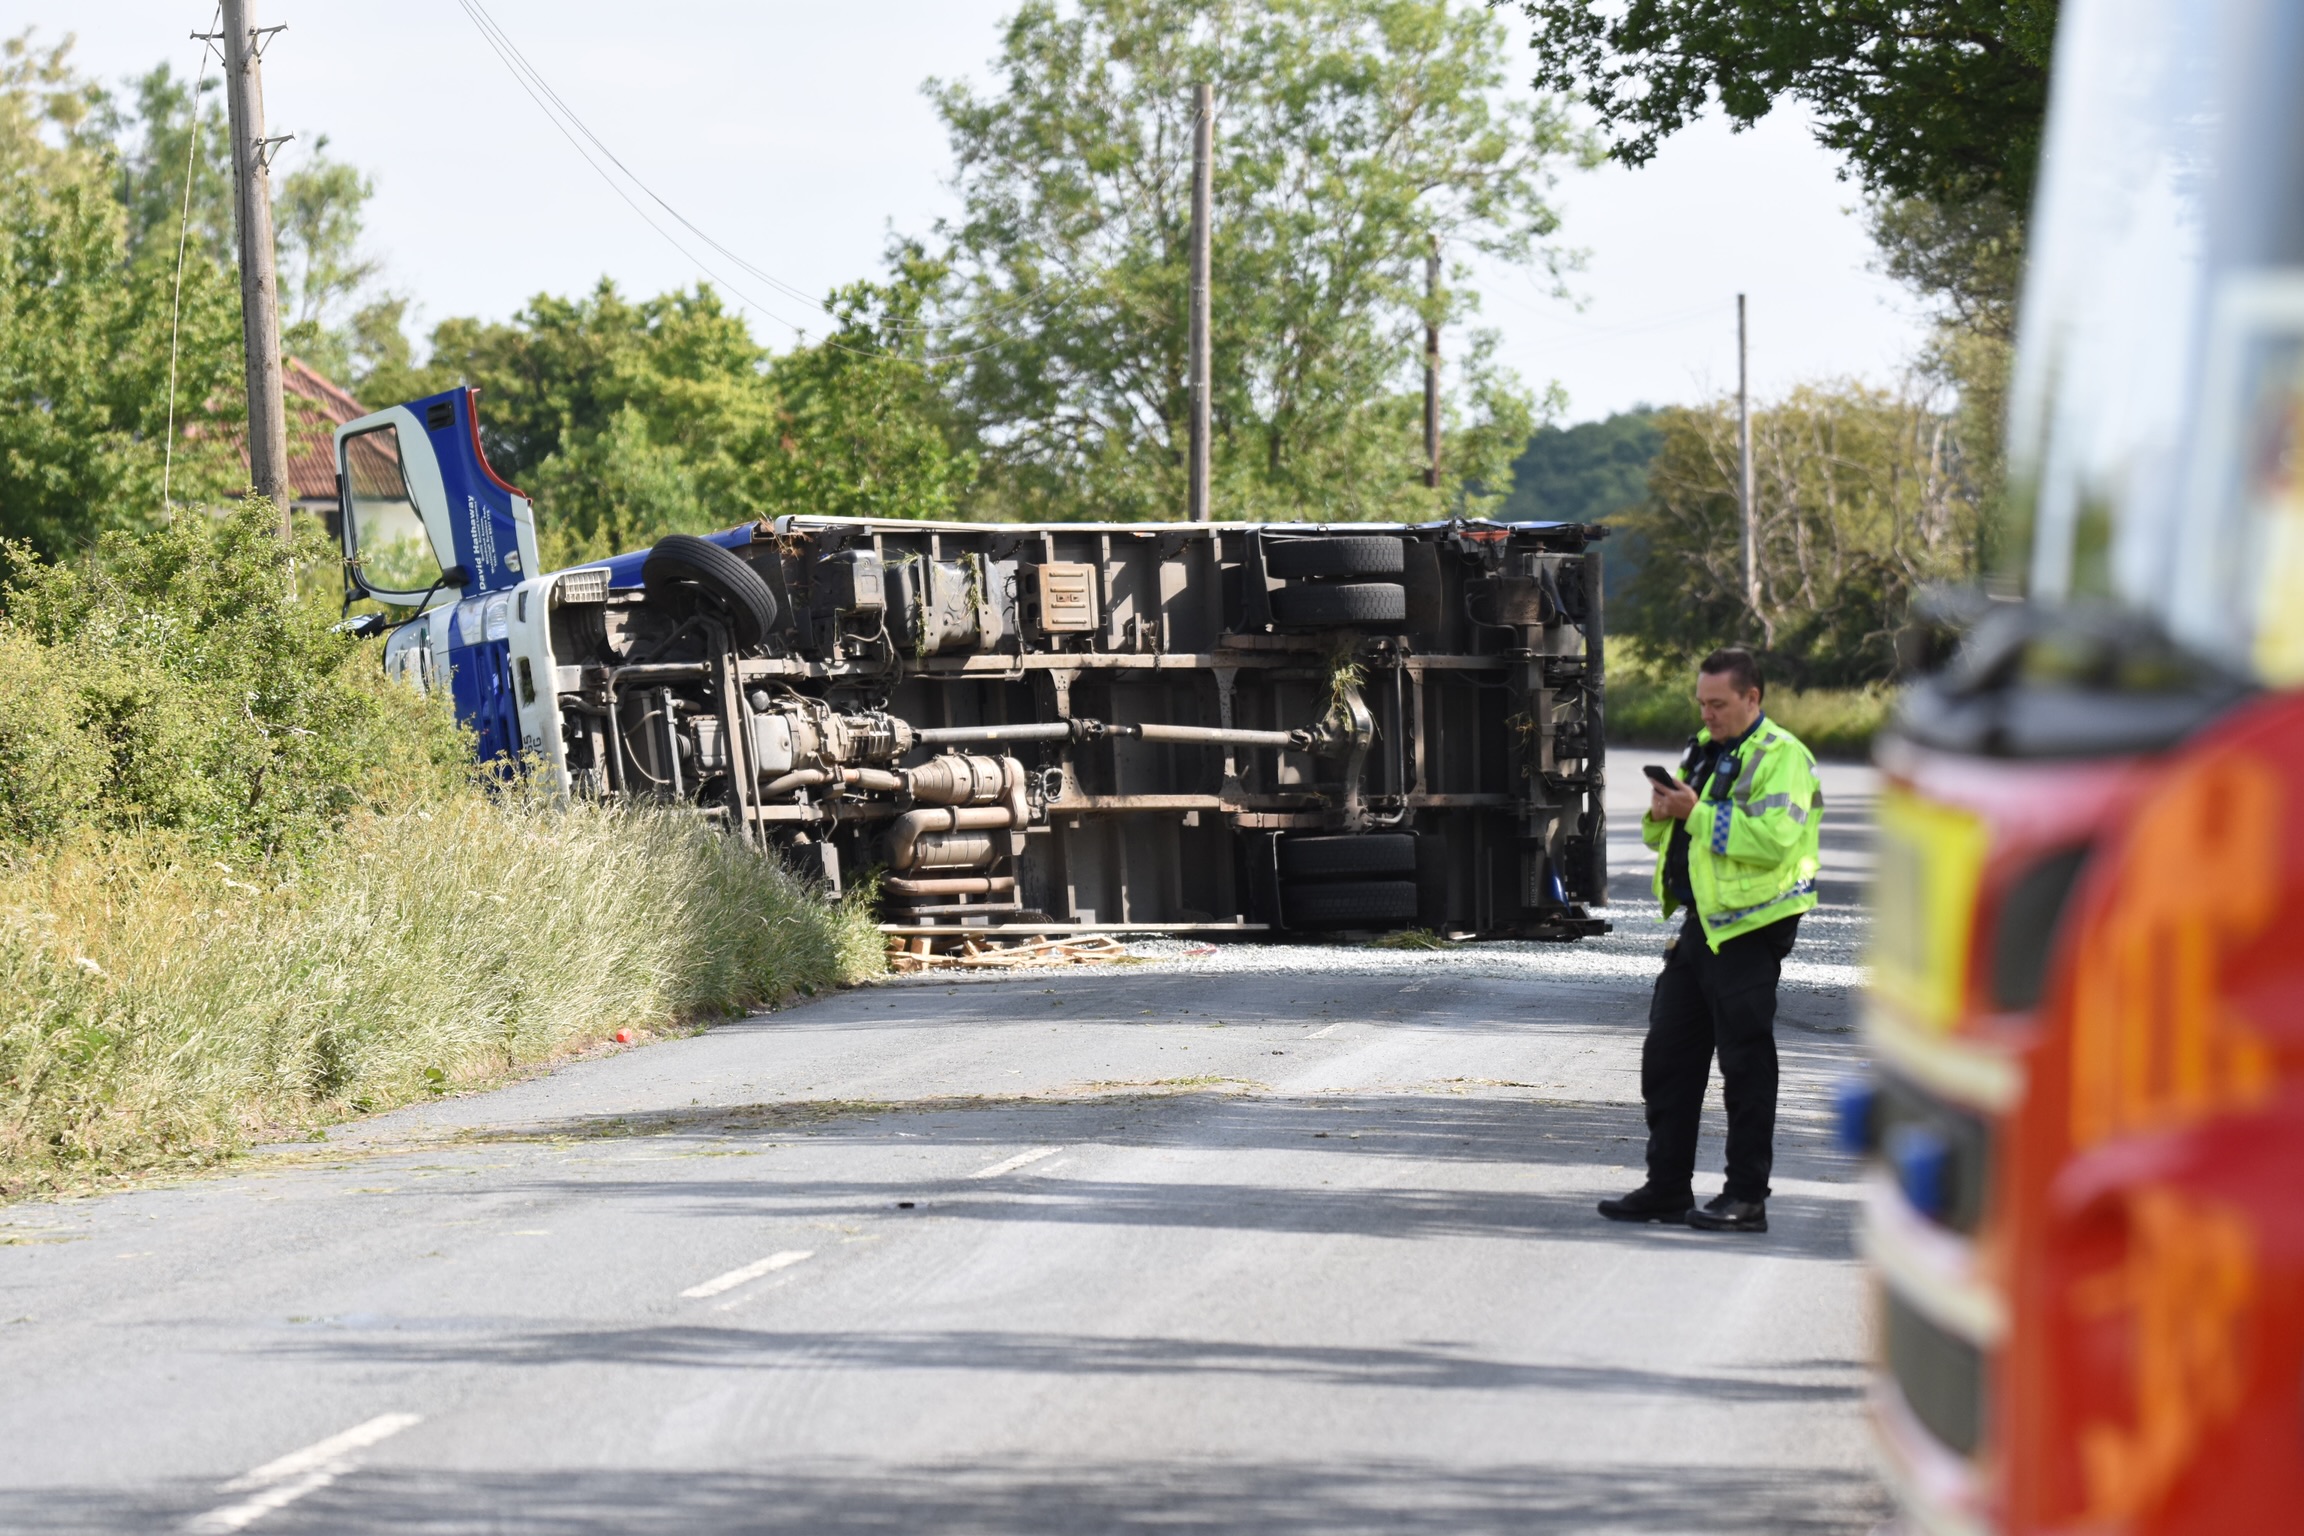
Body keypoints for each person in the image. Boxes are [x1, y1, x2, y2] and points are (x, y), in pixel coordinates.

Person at [1598, 647, 1823, 1234]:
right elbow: (1667, 838)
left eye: (1718, 704)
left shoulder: (1783, 757)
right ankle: (1667, 1188)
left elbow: (1774, 841)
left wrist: (1693, 812)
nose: (1708, 714)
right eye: (1701, 703)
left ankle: (1746, 1197)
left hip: (1752, 928)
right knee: (1668, 1059)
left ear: (1753, 697)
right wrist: (1662, 811)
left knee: (1746, 1067)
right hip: (1702, 925)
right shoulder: (1703, 750)